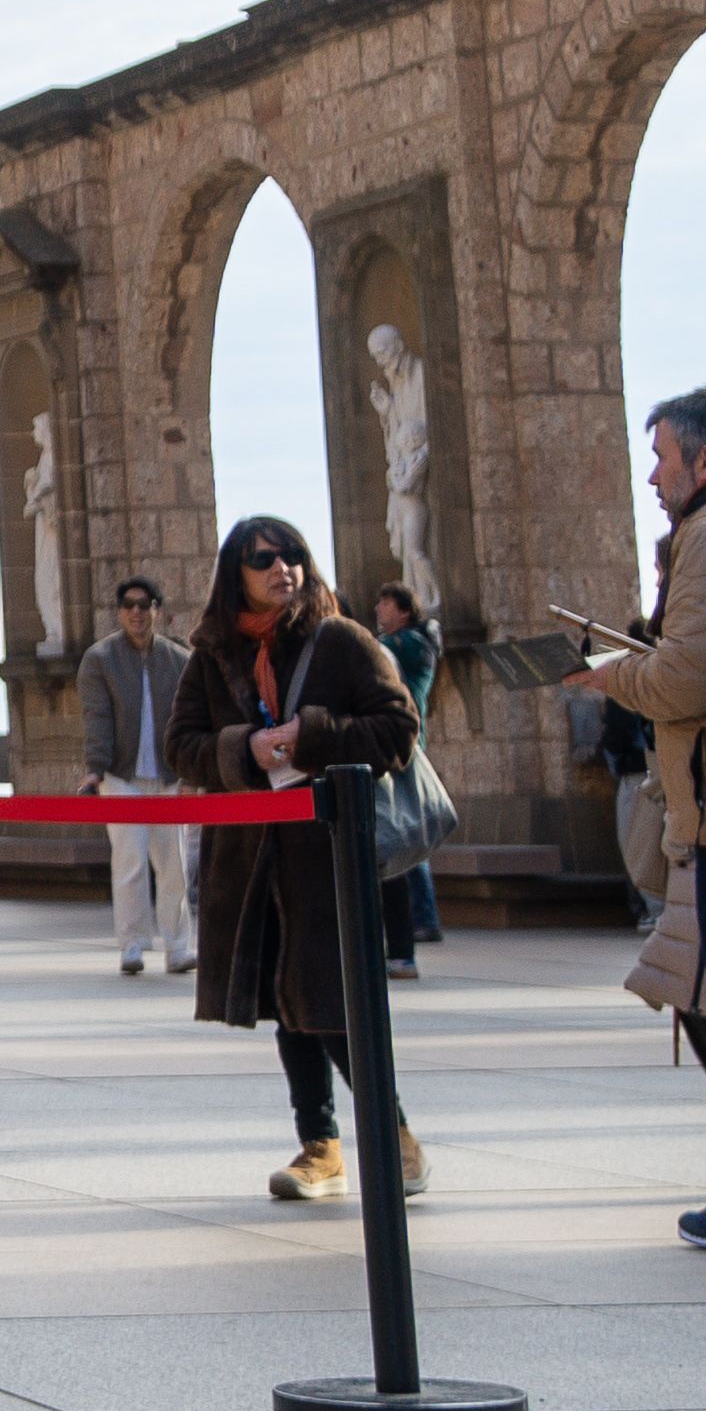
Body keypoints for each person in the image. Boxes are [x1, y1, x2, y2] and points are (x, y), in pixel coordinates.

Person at [173, 515, 418, 1204]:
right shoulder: (211, 651)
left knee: (335, 1003)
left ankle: (395, 1137)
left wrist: (309, 738)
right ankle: (320, 1145)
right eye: (263, 557)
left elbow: (397, 728)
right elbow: (181, 744)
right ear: (236, 572)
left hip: (325, 854)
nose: (282, 567)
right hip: (249, 861)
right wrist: (242, 748)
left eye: (293, 555)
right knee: (286, 1002)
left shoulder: (340, 639)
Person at [576, 388, 706, 1251]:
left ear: (703, 463)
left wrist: (609, 676)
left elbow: (686, 682)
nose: (650, 474)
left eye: (663, 456)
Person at [75, 571, 193, 973]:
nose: (137, 612)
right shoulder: (100, 659)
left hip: (168, 775)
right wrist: (95, 769)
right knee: (130, 861)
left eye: (145, 605)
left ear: (157, 611)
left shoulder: (179, 660)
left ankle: (178, 945)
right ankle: (132, 944)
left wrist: (193, 770)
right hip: (121, 775)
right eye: (129, 606)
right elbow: (96, 717)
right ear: (120, 612)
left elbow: (190, 719)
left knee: (174, 863)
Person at [368, 581, 448, 965]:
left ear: (404, 609)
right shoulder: (407, 642)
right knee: (403, 830)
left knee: (403, 831)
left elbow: (372, 650)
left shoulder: (411, 643)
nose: (379, 610)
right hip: (400, 744)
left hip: (403, 746)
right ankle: (422, 918)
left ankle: (425, 917)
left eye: (385, 603)